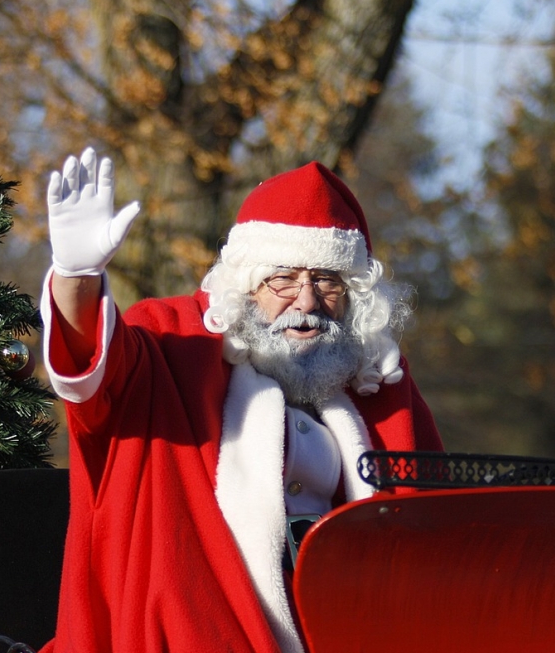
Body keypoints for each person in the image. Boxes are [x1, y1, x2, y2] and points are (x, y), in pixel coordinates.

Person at [40, 147, 443, 653]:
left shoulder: (377, 380)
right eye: (283, 279)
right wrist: (77, 277)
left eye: (326, 281)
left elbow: (439, 528)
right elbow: (92, 372)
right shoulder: (174, 344)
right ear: (247, 287)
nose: (307, 301)